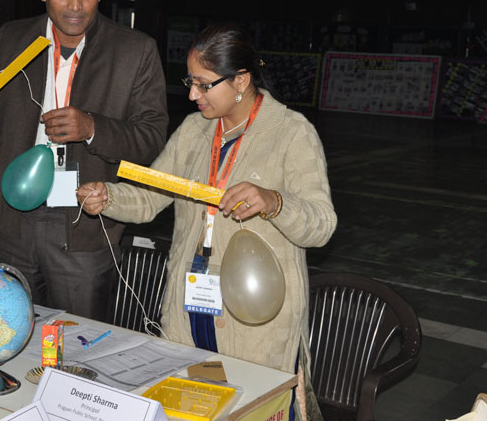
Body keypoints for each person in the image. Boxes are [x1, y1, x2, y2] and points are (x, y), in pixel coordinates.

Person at [77, 24, 336, 420]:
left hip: (255, 321)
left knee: (247, 408)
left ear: (241, 81)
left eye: (203, 84)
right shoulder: (194, 130)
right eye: (190, 82)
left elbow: (322, 225)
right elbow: (150, 196)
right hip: (190, 310)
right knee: (190, 407)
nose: (192, 94)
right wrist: (108, 197)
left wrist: (275, 201)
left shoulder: (291, 132)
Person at [0, 0, 168, 320]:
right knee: (13, 332)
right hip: (15, 220)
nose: (75, 5)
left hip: (84, 224)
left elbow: (151, 139)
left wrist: (92, 127)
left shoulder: (134, 51)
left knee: (79, 340)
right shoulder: (11, 40)